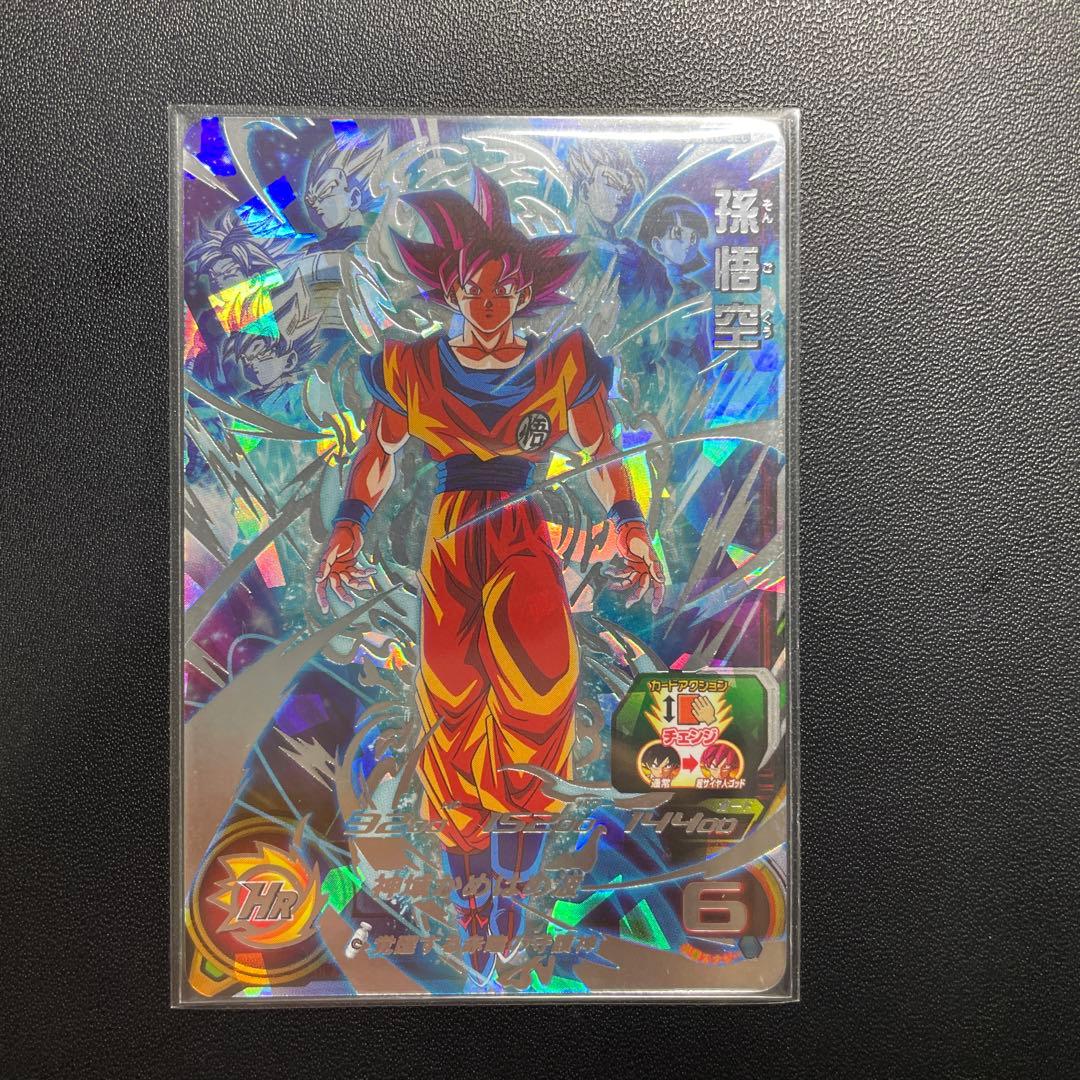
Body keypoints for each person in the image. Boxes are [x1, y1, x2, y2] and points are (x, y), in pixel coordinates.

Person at [314, 171, 665, 986]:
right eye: (476, 286)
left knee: (539, 702)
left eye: (506, 288)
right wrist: (348, 525)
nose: (490, 301)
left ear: (525, 292)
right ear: (453, 286)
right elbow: (378, 453)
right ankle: (476, 914)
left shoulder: (560, 361)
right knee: (455, 715)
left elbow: (602, 450)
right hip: (451, 546)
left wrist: (631, 523)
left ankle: (511, 906)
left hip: (521, 539)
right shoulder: (412, 365)